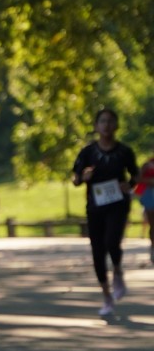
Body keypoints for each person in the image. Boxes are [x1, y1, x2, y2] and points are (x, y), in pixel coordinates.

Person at [72, 107, 138, 317]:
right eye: (102, 121)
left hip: (118, 204)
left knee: (112, 241)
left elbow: (135, 175)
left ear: (116, 125)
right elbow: (75, 178)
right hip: (95, 207)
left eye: (110, 121)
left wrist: (129, 185)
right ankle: (107, 296)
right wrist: (83, 177)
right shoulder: (88, 152)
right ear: (96, 126)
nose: (106, 125)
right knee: (97, 251)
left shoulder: (124, 151)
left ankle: (117, 271)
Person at [134, 152, 154, 266]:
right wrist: (150, 181)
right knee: (152, 224)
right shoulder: (148, 164)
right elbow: (137, 178)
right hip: (150, 196)